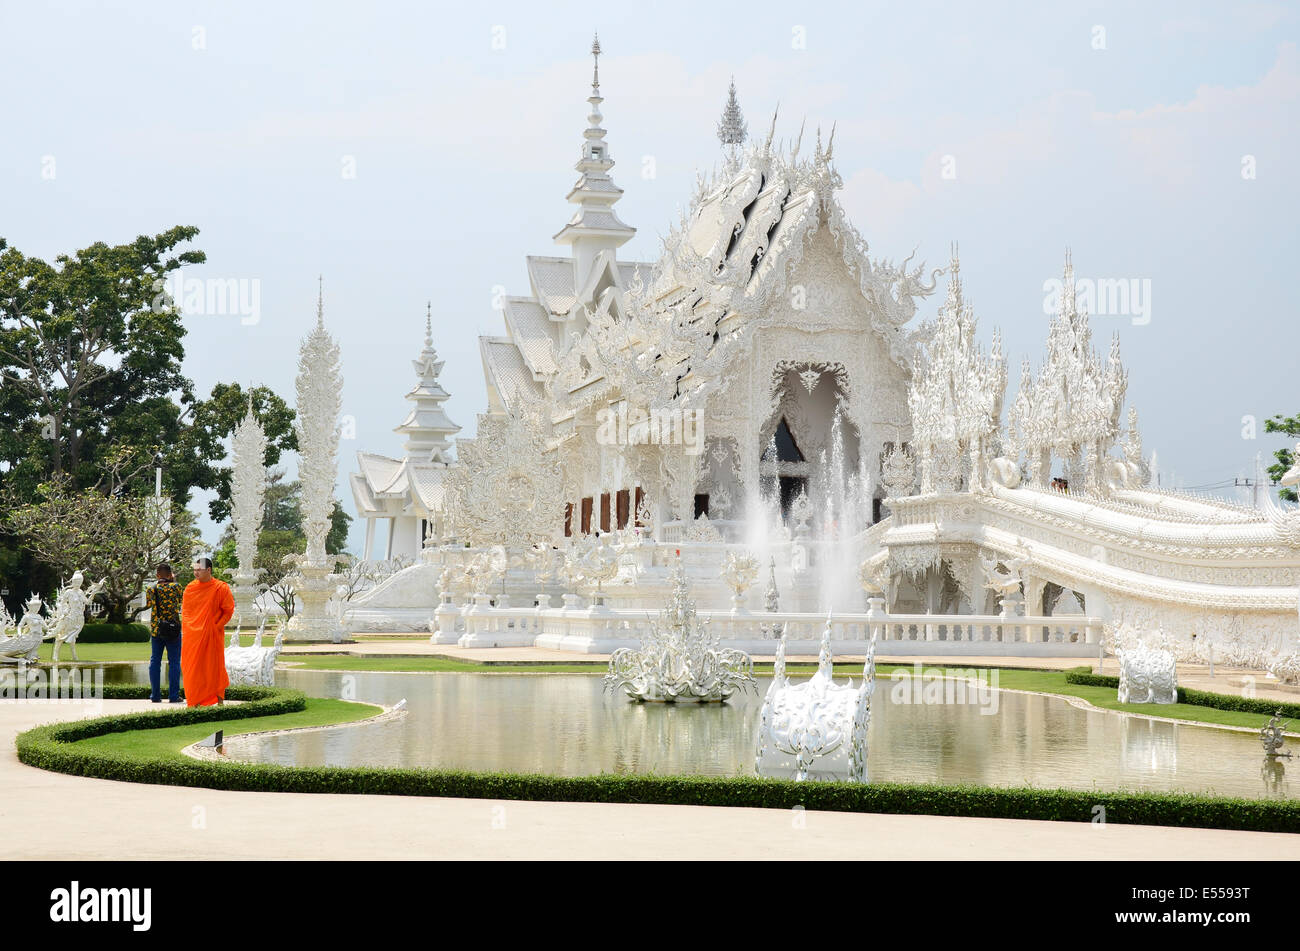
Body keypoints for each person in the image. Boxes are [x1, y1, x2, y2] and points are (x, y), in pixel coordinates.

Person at [180, 556, 234, 707]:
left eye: (199, 570)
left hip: (212, 635)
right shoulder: (190, 588)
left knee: (214, 669)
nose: (195, 573)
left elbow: (228, 611)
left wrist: (216, 626)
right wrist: (190, 628)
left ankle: (220, 701)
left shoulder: (220, 588)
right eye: (194, 570)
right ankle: (194, 702)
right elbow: (186, 613)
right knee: (192, 668)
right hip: (192, 637)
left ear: (208, 570)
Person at [145, 563, 184, 703]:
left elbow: (149, 605)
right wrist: (172, 582)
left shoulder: (151, 589)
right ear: (170, 574)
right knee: (174, 662)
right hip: (173, 629)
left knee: (155, 661)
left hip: (157, 629)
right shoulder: (176, 587)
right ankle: (173, 696)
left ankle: (155, 696)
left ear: (157, 575)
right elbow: (180, 601)